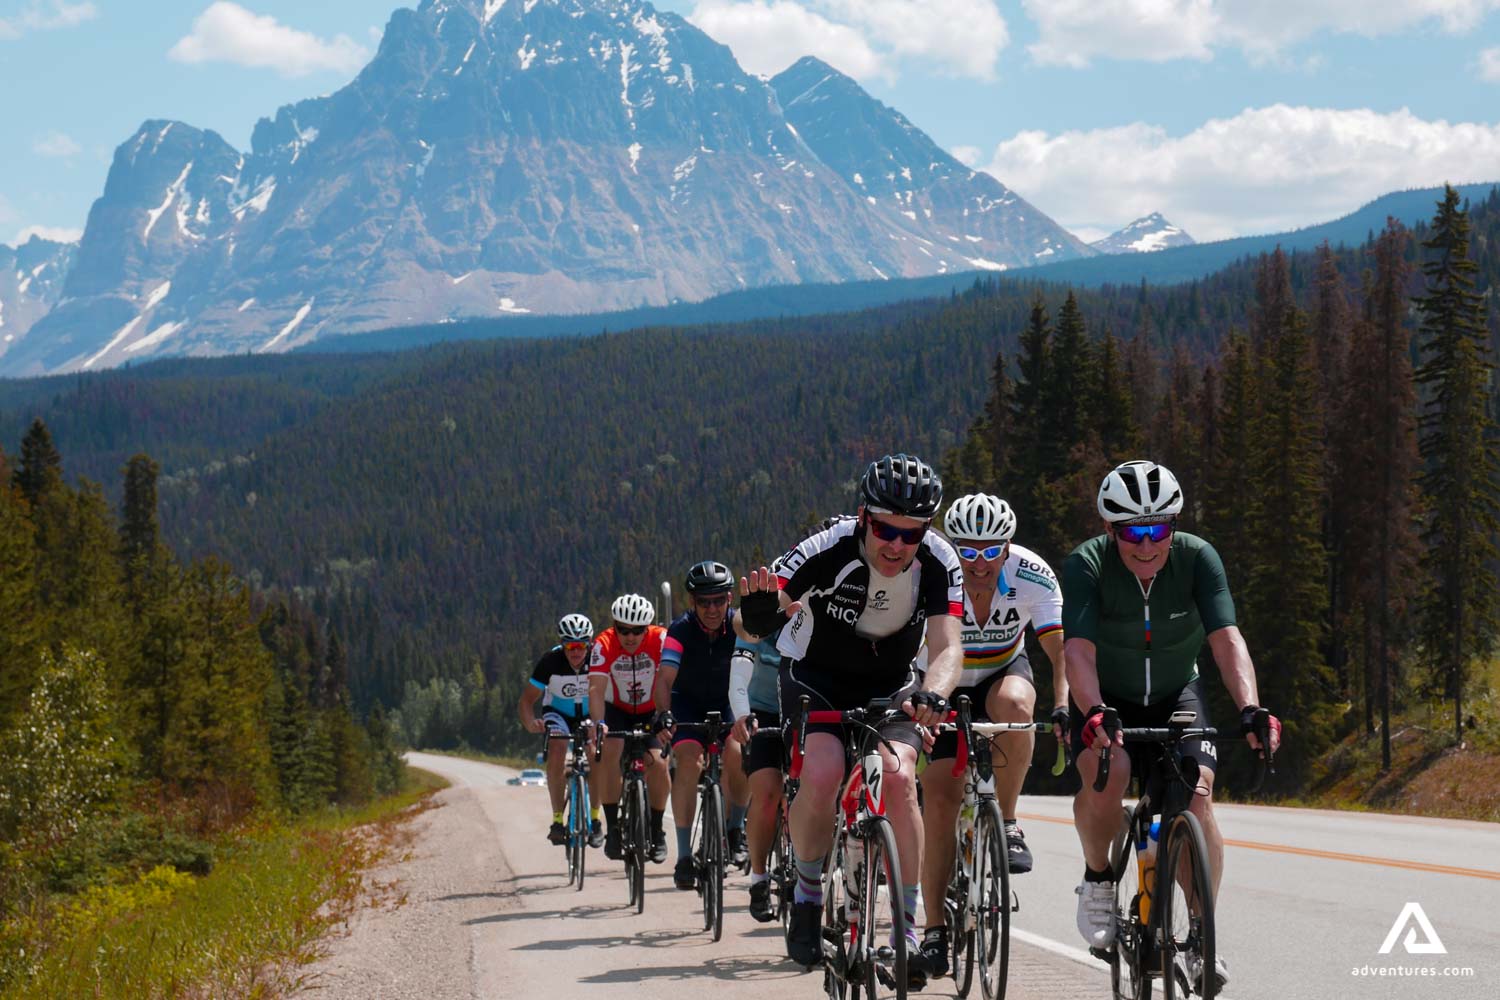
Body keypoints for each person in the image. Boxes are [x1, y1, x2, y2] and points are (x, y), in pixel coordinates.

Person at [739, 453, 964, 989]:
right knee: (821, 771)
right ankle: (809, 891)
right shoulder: (827, 547)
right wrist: (755, 621)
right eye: (886, 529)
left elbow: (949, 644)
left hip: (893, 685)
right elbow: (758, 616)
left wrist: (935, 691)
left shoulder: (939, 560)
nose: (897, 545)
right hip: (817, 677)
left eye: (912, 534)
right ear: (864, 516)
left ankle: (905, 929)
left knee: (900, 777)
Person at [1063, 460, 1281, 994]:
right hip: (1104, 697)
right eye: (1131, 532)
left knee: (1198, 800)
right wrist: (1092, 711)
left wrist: (1250, 708)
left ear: (1174, 526)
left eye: (1157, 529)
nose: (1145, 544)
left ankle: (1202, 934)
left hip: (1175, 695)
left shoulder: (1198, 559)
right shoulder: (1087, 564)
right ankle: (1097, 879)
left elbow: (1227, 641)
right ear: (1109, 529)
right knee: (1106, 777)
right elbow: (1078, 651)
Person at [915, 493, 1068, 977]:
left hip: (1002, 672)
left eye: (990, 551)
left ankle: (1007, 822)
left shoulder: (1032, 574)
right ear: (952, 547)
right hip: (940, 685)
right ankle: (935, 932)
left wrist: (1063, 705)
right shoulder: (929, 573)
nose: (978, 563)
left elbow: (1061, 652)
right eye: (967, 551)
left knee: (1017, 706)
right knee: (939, 803)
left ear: (1007, 547)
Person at [654, 560, 751, 891]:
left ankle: (735, 829)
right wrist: (665, 713)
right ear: (691, 602)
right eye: (703, 602)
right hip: (687, 702)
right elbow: (665, 680)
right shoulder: (679, 631)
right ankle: (683, 856)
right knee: (689, 762)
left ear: (729, 599)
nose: (711, 609)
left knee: (739, 755)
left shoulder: (740, 626)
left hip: (728, 702)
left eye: (719, 601)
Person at [588, 593, 672, 864]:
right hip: (617, 710)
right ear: (615, 626)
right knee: (610, 751)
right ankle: (613, 828)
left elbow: (672, 681)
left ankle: (657, 830)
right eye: (623, 630)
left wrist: (665, 715)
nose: (630, 637)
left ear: (647, 628)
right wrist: (599, 723)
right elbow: (595, 690)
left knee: (659, 764)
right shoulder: (604, 643)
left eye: (637, 631)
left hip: (651, 709)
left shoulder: (660, 639)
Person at [519, 613, 604, 847]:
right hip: (559, 714)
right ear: (562, 645)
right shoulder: (550, 662)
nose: (575, 652)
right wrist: (530, 723)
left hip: (589, 714)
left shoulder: (598, 659)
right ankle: (557, 820)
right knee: (557, 748)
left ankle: (595, 820)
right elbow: (527, 701)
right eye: (569, 646)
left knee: (596, 754)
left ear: (589, 644)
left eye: (581, 646)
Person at [728, 609, 786, 922]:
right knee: (766, 793)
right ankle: (760, 880)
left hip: (809, 708)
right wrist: (741, 715)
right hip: (764, 713)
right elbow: (739, 675)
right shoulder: (755, 623)